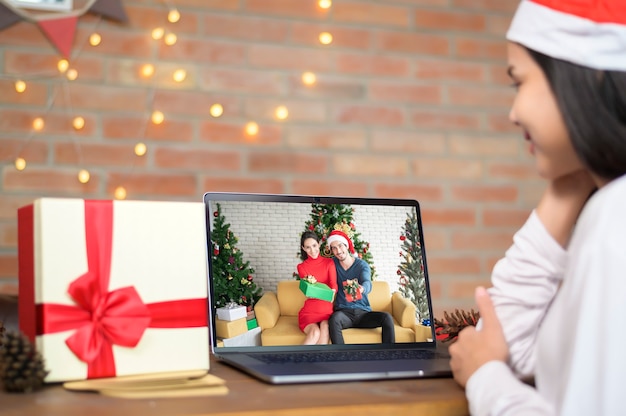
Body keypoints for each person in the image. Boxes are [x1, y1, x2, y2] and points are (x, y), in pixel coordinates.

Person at [448, 0, 626, 414]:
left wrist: (485, 377)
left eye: (519, 82)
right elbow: (514, 348)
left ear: (589, 77)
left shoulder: (616, 219)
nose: (512, 113)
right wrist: (572, 181)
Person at [327, 230, 395, 344]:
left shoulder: (361, 265)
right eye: (334, 248)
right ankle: (341, 359)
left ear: (346, 245)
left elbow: (367, 282)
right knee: (334, 319)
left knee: (387, 317)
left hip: (363, 314)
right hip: (344, 314)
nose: (338, 251)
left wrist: (362, 288)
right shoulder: (331, 264)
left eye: (340, 246)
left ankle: (389, 356)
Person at [296, 230, 338, 345]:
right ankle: (297, 361)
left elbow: (333, 284)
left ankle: (319, 362)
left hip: (326, 309)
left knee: (325, 327)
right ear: (303, 248)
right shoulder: (301, 267)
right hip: (310, 311)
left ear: (319, 244)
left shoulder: (329, 263)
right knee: (314, 332)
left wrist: (332, 292)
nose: (312, 250)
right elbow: (309, 290)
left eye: (314, 245)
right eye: (308, 247)